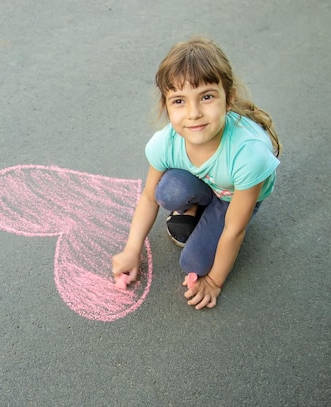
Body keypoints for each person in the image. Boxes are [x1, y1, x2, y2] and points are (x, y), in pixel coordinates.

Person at [111, 37, 281, 310]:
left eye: (206, 97)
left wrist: (214, 281)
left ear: (229, 98)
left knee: (194, 263)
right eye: (179, 100)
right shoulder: (164, 143)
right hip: (206, 182)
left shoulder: (249, 154)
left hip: (233, 196)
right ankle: (191, 208)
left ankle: (206, 211)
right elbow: (149, 198)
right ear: (166, 106)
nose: (194, 113)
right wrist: (132, 249)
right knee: (167, 190)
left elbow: (234, 230)